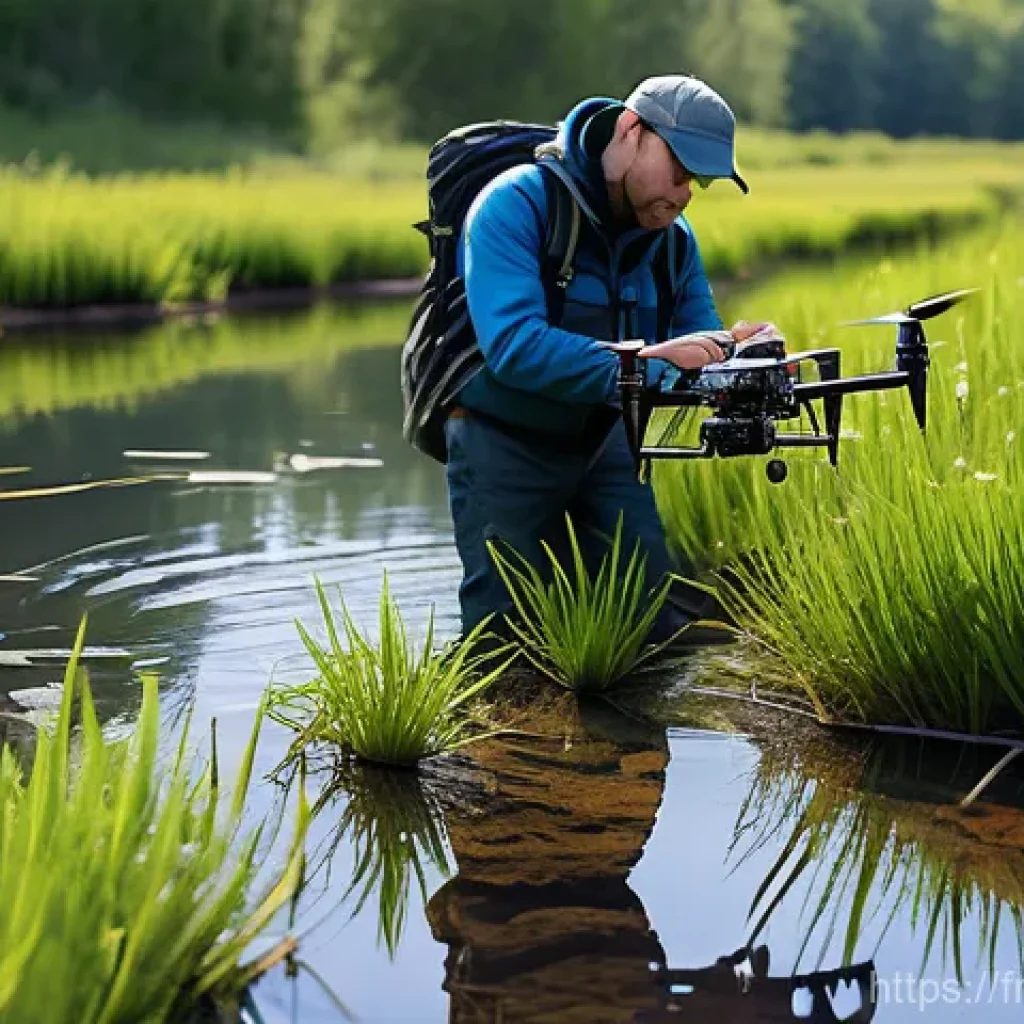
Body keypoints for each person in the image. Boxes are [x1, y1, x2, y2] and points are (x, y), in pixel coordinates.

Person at [445, 74, 779, 646]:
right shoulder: (512, 204)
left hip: (610, 439)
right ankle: (498, 736)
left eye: (697, 180)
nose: (684, 191)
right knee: (503, 636)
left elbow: (692, 344)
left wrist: (738, 352)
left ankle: (633, 733)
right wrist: (646, 363)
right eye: (679, 168)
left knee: (650, 615)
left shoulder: (674, 239)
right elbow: (515, 348)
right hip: (501, 441)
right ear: (630, 130)